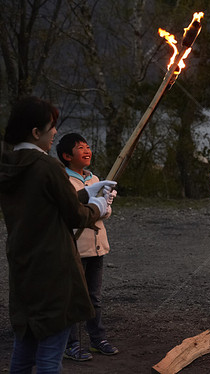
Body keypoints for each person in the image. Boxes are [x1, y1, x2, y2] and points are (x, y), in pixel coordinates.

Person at [0, 97, 115, 373]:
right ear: (36, 132)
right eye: (51, 127)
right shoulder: (46, 166)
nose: (55, 132)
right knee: (50, 359)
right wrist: (97, 206)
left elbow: (42, 205)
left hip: (24, 267)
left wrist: (86, 192)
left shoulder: (9, 165)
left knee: (23, 354)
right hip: (53, 272)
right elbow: (74, 215)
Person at [56, 133, 119, 361]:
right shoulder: (63, 180)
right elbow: (70, 210)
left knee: (94, 297)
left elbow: (106, 213)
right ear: (66, 156)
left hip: (97, 247)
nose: (86, 150)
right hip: (76, 249)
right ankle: (71, 343)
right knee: (73, 296)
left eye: (87, 146)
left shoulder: (95, 179)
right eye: (80, 147)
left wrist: (106, 204)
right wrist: (93, 204)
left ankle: (97, 338)